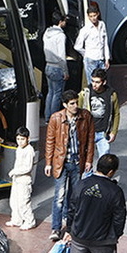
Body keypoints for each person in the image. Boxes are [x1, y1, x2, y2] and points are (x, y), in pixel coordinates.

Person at [62, 154, 125, 253]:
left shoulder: (82, 184)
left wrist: (69, 229)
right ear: (111, 172)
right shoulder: (115, 191)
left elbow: (71, 209)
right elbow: (119, 218)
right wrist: (115, 235)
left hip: (79, 238)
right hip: (103, 241)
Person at [44, 89, 95, 241]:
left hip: (77, 161)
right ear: (65, 105)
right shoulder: (56, 118)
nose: (75, 106)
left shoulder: (85, 116)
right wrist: (48, 163)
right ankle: (56, 228)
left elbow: (90, 140)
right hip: (61, 162)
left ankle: (72, 226)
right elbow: (50, 141)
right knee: (59, 196)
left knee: (74, 197)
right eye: (72, 103)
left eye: (76, 102)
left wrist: (89, 160)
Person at [78, 67, 120, 169]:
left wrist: (113, 131)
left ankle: (101, 178)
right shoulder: (85, 93)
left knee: (104, 160)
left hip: (103, 133)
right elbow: (78, 112)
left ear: (104, 82)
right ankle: (88, 179)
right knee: (87, 160)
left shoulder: (111, 94)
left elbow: (116, 114)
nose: (94, 85)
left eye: (97, 82)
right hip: (89, 132)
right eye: (92, 81)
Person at [5, 126, 36, 231]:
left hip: (24, 180)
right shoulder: (19, 149)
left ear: (28, 139)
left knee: (23, 202)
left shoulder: (29, 150)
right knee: (14, 201)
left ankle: (29, 221)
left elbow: (28, 167)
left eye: (22, 139)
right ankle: (16, 219)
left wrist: (14, 171)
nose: (20, 142)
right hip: (17, 179)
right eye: (18, 139)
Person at [74, 5, 111, 84]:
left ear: (98, 14)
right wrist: (86, 54)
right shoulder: (85, 29)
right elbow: (77, 46)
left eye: (94, 15)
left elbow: (105, 42)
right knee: (92, 83)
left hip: (101, 59)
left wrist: (107, 58)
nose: (93, 18)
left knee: (102, 82)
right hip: (91, 59)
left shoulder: (102, 25)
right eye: (91, 16)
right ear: (88, 16)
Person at [44, 11, 69, 122]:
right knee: (57, 94)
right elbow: (61, 55)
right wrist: (65, 71)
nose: (65, 23)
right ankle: (54, 118)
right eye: (64, 21)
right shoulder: (60, 36)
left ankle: (47, 117)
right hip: (57, 67)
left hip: (48, 65)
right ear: (60, 22)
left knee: (50, 92)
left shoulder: (46, 32)